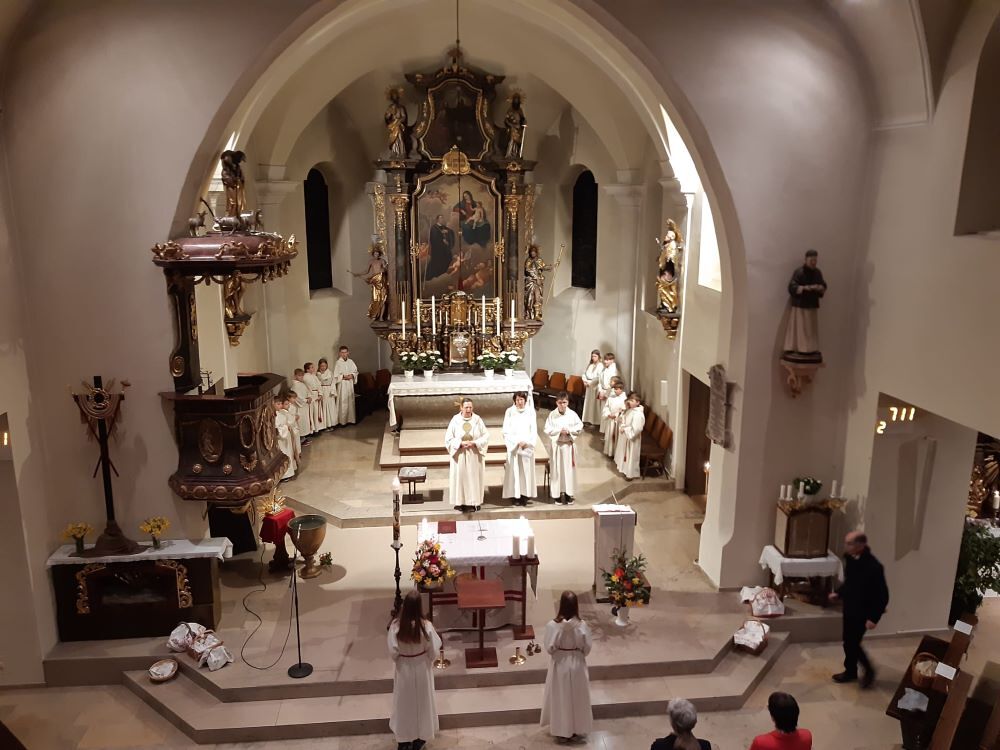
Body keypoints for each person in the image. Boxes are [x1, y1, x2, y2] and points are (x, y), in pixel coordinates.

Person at [829, 531, 888, 688]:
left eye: (849, 543)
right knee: (848, 642)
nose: (846, 546)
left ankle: (869, 671)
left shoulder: (873, 566)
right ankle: (850, 671)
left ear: (860, 545)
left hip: (863, 612)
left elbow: (882, 595)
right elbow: (851, 583)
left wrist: (874, 618)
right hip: (850, 608)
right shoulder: (851, 559)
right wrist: (839, 593)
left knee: (853, 643)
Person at [388, 590, 442, 750]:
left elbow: (393, 652)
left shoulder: (396, 626)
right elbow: (433, 651)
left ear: (404, 606)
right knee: (423, 703)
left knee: (404, 704)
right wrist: (425, 658)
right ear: (419, 607)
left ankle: (404, 741)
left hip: (404, 668)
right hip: (422, 667)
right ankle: (419, 739)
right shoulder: (426, 627)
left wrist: (403, 658)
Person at [540, 591, 592, 743]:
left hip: (560, 664)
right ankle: (576, 729)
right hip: (577, 664)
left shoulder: (552, 626)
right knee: (577, 698)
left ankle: (562, 731)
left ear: (561, 605)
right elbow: (587, 648)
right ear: (576, 606)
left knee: (561, 698)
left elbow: (549, 648)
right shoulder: (582, 626)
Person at [781, 249, 827, 365]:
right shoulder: (799, 272)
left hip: (812, 304)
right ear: (806, 260)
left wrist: (820, 288)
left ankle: (810, 348)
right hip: (800, 305)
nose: (813, 263)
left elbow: (823, 285)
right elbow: (792, 287)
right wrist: (805, 288)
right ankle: (799, 347)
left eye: (815, 260)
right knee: (800, 328)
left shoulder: (817, 272)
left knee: (811, 328)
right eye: (811, 260)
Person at [444, 398, 489, 512]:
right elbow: (448, 438)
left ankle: (473, 502)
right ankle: (460, 502)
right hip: (460, 454)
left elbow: (486, 436)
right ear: (461, 408)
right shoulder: (455, 420)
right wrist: (459, 443)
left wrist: (475, 443)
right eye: (466, 407)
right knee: (461, 478)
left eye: (470, 407)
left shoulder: (477, 420)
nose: (468, 410)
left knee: (472, 478)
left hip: (474, 454)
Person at [544, 392, 583, 505]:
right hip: (557, 446)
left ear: (568, 402)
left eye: (564, 402)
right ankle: (557, 495)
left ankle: (568, 494)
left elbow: (579, 426)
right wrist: (559, 431)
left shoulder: (573, 414)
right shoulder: (552, 415)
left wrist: (569, 431)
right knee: (557, 471)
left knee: (569, 471)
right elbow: (547, 429)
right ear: (556, 402)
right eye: (560, 403)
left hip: (568, 446)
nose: (562, 405)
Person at [502, 392, 537, 507]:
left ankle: (525, 495)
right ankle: (515, 496)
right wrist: (516, 442)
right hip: (514, 447)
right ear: (514, 401)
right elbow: (506, 430)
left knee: (525, 472)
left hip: (526, 446)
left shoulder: (530, 411)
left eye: (522, 399)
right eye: (517, 400)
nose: (520, 402)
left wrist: (528, 442)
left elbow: (533, 429)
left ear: (525, 401)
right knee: (515, 471)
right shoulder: (509, 412)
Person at [614, 392, 645, 480]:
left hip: (632, 439)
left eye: (632, 401)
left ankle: (630, 474)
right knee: (625, 455)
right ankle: (625, 470)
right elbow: (624, 419)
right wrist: (622, 414)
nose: (629, 402)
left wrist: (625, 429)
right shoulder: (631, 410)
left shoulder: (638, 414)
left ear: (638, 402)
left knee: (631, 456)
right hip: (626, 436)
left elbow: (636, 429)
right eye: (629, 400)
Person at [523, 244, 553, 320]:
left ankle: (537, 314)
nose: (532, 253)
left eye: (534, 252)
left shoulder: (539, 260)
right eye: (531, 252)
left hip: (538, 282)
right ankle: (529, 314)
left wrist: (551, 267)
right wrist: (536, 278)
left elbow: (543, 267)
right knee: (529, 299)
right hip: (530, 282)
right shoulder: (528, 261)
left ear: (536, 252)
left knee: (538, 297)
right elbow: (527, 270)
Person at [332, 346, 358, 425]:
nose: (344, 354)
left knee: (350, 402)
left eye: (345, 352)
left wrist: (352, 375)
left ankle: (351, 420)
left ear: (348, 353)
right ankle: (343, 421)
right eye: (342, 352)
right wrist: (343, 376)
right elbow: (335, 375)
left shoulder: (351, 361)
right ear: (340, 353)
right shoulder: (338, 363)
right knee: (343, 403)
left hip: (349, 384)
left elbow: (356, 371)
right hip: (342, 384)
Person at [602, 379, 627, 458]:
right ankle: (610, 453)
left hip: (618, 421)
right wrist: (608, 414)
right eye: (614, 389)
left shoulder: (624, 399)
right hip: (611, 419)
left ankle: (617, 455)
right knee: (610, 437)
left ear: (621, 389)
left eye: (616, 389)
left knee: (617, 438)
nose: (615, 391)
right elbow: (606, 407)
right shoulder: (611, 398)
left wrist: (616, 415)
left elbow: (624, 411)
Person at [426, 214, 455, 281]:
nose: (442, 219)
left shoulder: (444, 227)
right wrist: (443, 241)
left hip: (444, 251)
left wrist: (447, 233)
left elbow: (450, 231)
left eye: (443, 218)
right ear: (438, 220)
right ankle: (435, 278)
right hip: (437, 251)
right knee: (437, 264)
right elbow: (434, 239)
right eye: (441, 218)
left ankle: (443, 276)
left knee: (448, 259)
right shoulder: (434, 228)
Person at [274, 395, 296, 480]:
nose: (280, 406)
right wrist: (286, 427)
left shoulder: (281, 413)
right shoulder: (274, 416)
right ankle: (285, 474)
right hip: (281, 439)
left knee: (289, 452)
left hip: (286, 437)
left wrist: (287, 426)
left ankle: (290, 471)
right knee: (285, 453)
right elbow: (277, 429)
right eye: (278, 404)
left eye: (281, 404)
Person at [597, 353, 619, 434]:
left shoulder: (614, 371)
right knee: (603, 412)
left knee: (608, 412)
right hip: (603, 392)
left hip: (609, 394)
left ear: (612, 360)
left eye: (607, 360)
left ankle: (608, 432)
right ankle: (604, 431)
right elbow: (600, 381)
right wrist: (600, 391)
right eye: (605, 359)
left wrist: (605, 394)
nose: (605, 361)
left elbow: (613, 385)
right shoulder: (604, 369)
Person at [581, 350, 604, 426]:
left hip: (595, 387)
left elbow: (599, 377)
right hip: (588, 388)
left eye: (595, 356)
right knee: (588, 403)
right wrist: (584, 381)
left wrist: (590, 383)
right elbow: (584, 374)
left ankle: (594, 421)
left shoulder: (601, 366)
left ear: (599, 357)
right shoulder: (590, 365)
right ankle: (587, 419)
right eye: (592, 356)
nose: (593, 358)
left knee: (594, 405)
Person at [289, 368, 313, 437]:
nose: (301, 377)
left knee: (305, 421)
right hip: (300, 407)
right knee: (301, 422)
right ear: (295, 376)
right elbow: (297, 397)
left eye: (302, 375)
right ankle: (301, 437)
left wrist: (309, 397)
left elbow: (307, 391)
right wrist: (306, 400)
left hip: (305, 406)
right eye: (299, 375)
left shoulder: (302, 384)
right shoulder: (295, 385)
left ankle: (305, 435)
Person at [316, 358, 338, 430]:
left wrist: (332, 391)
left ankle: (331, 424)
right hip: (322, 390)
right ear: (319, 366)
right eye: (322, 366)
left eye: (324, 366)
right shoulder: (317, 374)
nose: (323, 367)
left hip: (329, 391)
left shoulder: (330, 373)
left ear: (327, 366)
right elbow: (317, 384)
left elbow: (333, 382)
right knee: (324, 407)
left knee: (330, 407)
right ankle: (325, 425)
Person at [302, 362, 324, 432]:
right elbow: (307, 388)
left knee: (317, 412)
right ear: (307, 369)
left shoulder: (314, 376)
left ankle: (317, 428)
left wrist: (320, 394)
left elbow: (319, 385)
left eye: (313, 367)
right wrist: (311, 395)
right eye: (311, 367)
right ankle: (312, 430)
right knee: (311, 413)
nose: (313, 368)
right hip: (311, 396)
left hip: (316, 394)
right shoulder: (305, 377)